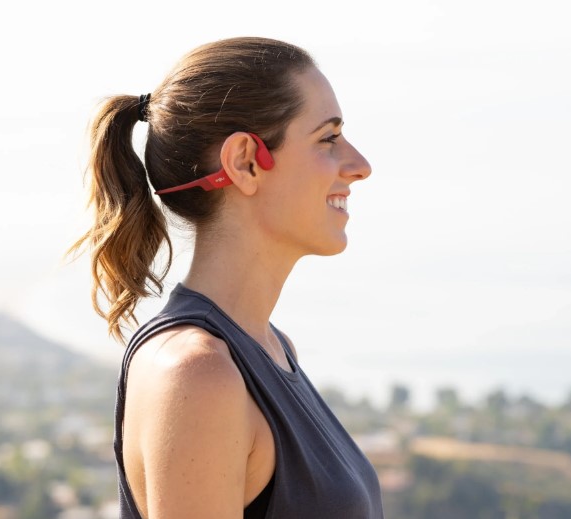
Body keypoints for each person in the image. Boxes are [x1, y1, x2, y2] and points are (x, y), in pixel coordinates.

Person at [72, 37, 383, 519]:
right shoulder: (199, 375)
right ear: (245, 162)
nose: (360, 165)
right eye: (328, 138)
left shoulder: (270, 350)